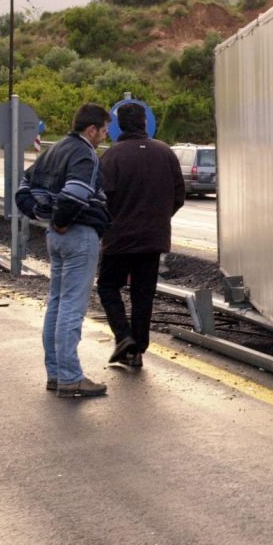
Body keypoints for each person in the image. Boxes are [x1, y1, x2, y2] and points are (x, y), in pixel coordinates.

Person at [16, 103, 112, 398]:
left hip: (55, 237)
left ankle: (56, 374)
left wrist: (40, 214)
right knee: (72, 306)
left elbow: (23, 187)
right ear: (91, 129)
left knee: (56, 303)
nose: (105, 136)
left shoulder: (53, 149)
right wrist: (60, 221)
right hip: (77, 234)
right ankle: (71, 377)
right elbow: (75, 194)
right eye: (104, 130)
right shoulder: (85, 154)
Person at [97, 102, 185, 368]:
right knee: (143, 293)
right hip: (153, 238)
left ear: (118, 126)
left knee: (108, 286)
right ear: (145, 123)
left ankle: (124, 336)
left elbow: (102, 199)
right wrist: (158, 219)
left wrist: (111, 224)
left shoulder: (111, 157)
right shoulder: (165, 152)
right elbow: (179, 195)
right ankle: (137, 352)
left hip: (119, 239)